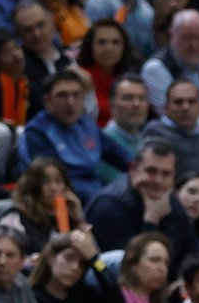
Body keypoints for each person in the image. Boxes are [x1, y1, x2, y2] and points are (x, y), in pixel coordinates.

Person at [83, 141, 193, 276]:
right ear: (133, 169)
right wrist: (151, 221)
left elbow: (187, 250)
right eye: (151, 171)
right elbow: (130, 272)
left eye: (166, 174)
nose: (158, 180)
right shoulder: (108, 207)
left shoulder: (167, 197)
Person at [20, 71, 130, 204]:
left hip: (94, 189)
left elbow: (118, 154)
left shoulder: (86, 124)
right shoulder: (37, 131)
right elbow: (52, 178)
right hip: (62, 196)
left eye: (76, 95)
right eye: (62, 95)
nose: (70, 102)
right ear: (47, 101)